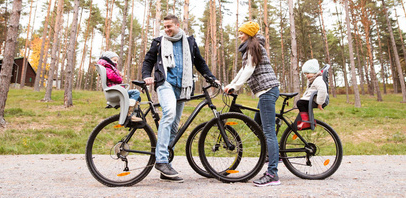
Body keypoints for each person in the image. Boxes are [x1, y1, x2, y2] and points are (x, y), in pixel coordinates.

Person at [142, 14, 218, 183]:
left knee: (174, 126)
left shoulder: (189, 41)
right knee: (168, 114)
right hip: (165, 83)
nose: (167, 29)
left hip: (182, 87)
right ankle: (161, 160)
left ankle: (166, 167)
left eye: (169, 26)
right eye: (165, 27)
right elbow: (148, 61)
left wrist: (211, 78)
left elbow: (199, 62)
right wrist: (147, 75)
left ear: (177, 25)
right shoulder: (159, 41)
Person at [223, 21, 281, 187]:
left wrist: (235, 86)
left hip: (267, 91)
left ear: (249, 34)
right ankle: (273, 153)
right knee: (257, 125)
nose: (239, 35)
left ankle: (273, 174)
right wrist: (232, 84)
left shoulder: (253, 46)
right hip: (267, 91)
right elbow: (243, 69)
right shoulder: (251, 46)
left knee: (269, 132)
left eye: (242, 33)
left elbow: (249, 69)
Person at [97, 51, 142, 122]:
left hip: (115, 90)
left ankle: (133, 114)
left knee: (138, 98)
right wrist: (120, 77)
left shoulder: (107, 67)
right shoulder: (107, 67)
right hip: (116, 91)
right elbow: (112, 76)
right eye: (114, 60)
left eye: (116, 61)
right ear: (108, 59)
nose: (115, 63)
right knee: (136, 92)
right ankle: (129, 114)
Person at [296, 59, 328, 130]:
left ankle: (306, 121)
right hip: (311, 99)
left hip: (316, 100)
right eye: (305, 74)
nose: (306, 76)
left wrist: (320, 103)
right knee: (301, 103)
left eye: (308, 73)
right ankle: (307, 120)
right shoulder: (312, 79)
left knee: (300, 103)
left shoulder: (318, 80)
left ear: (313, 71)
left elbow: (322, 90)